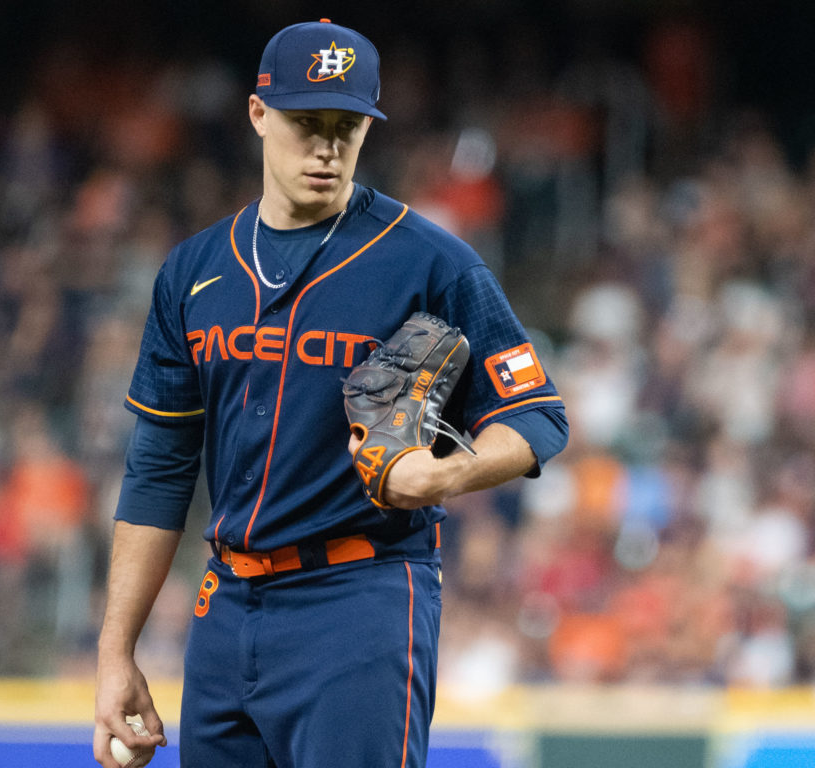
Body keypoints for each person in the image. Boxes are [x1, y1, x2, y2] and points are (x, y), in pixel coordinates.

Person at [93, 19, 568, 768]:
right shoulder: (193, 271)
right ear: (258, 114)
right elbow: (158, 467)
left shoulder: (430, 262)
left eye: (346, 126)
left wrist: (445, 474)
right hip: (226, 612)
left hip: (361, 601)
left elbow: (537, 416)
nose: (327, 146)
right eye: (305, 123)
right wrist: (116, 651)